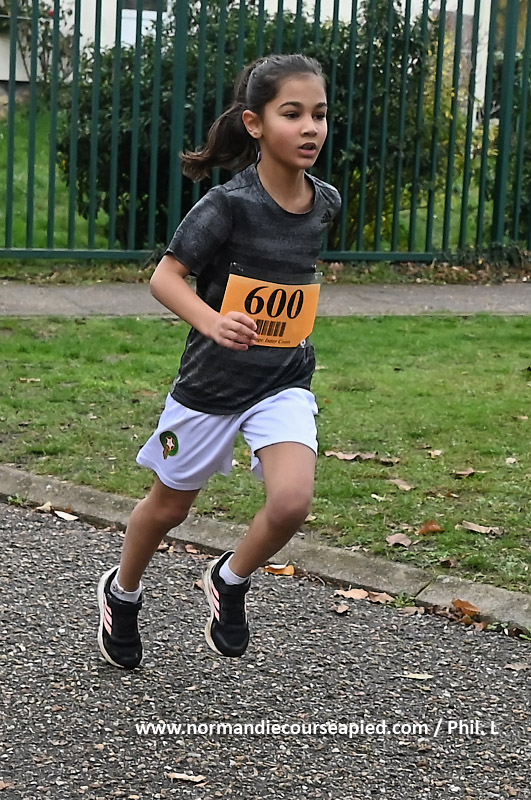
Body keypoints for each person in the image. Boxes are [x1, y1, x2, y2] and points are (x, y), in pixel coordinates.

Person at [97, 53, 341, 669]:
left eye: (319, 115)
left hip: (283, 379)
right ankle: (122, 592)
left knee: (292, 501)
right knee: (170, 507)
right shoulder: (227, 205)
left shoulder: (325, 203)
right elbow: (165, 277)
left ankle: (229, 579)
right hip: (211, 386)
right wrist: (212, 320)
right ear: (255, 124)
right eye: (292, 114)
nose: (310, 128)